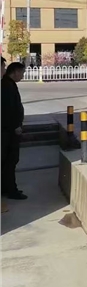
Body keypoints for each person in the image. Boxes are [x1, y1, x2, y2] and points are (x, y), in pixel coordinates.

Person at [2, 61, 27, 200]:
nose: (22, 76)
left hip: (8, 130)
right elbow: (7, 110)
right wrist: (15, 126)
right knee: (10, 161)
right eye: (22, 73)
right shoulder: (6, 86)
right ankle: (11, 190)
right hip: (9, 131)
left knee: (7, 162)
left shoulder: (9, 84)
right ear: (16, 72)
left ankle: (6, 188)